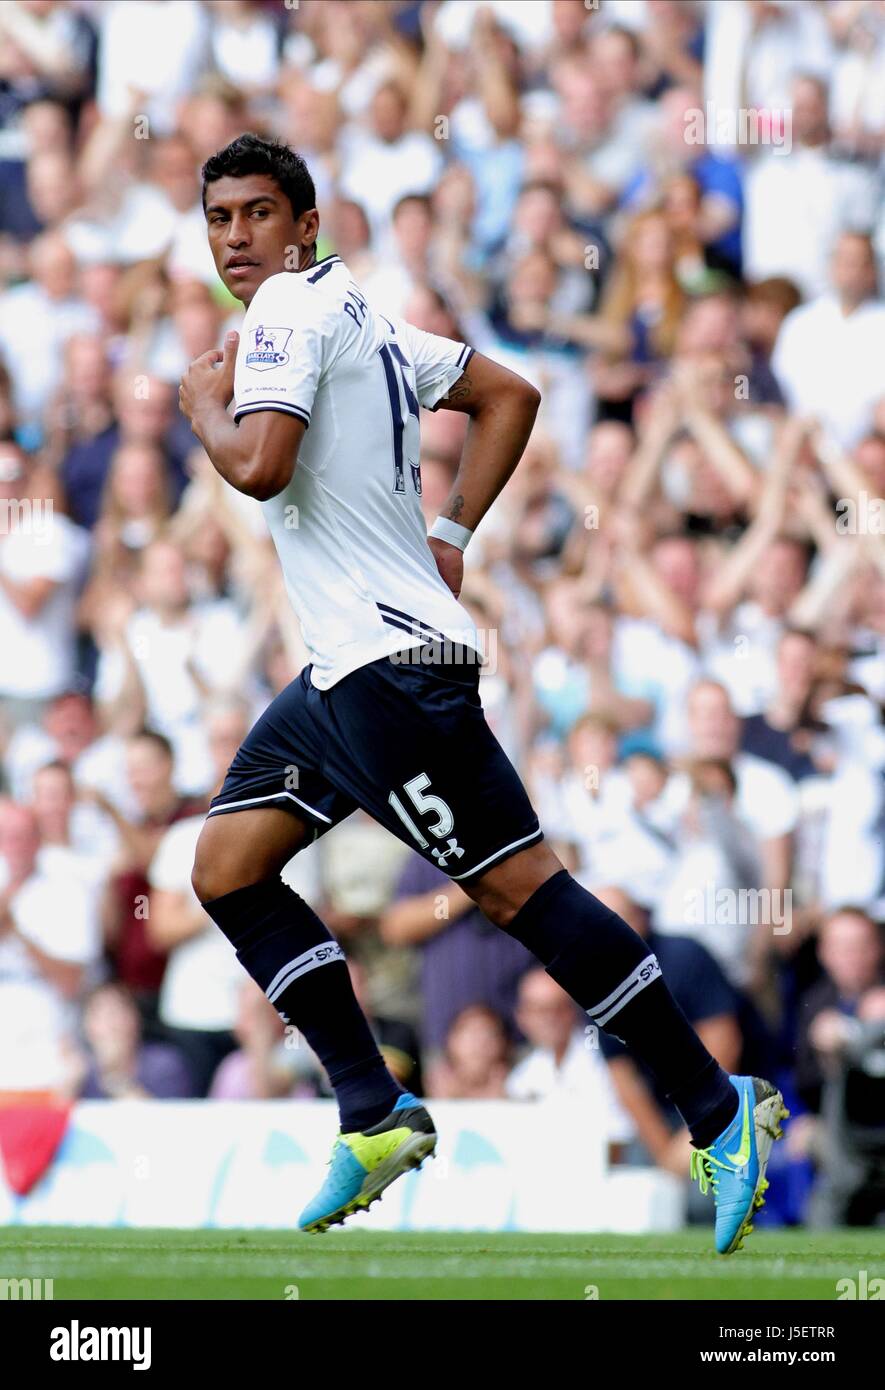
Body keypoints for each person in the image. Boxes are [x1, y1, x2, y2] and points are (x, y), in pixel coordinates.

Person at [179, 133, 785, 1252]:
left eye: (259, 214)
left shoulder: (285, 321)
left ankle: (718, 1106)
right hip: (341, 673)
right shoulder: (360, 316)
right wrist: (451, 534)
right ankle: (371, 1108)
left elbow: (259, 463)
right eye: (220, 219)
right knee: (223, 868)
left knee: (521, 894)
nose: (235, 239)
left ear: (306, 224)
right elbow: (511, 391)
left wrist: (200, 407)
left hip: (391, 674)